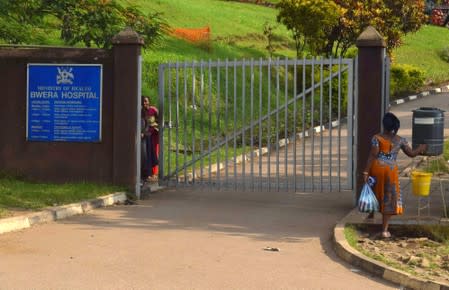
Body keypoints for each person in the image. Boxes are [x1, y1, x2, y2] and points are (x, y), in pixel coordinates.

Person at [362, 112, 427, 238]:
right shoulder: (400, 140)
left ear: (384, 125)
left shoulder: (376, 138)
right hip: (390, 172)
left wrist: (366, 171)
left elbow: (373, 155)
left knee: (374, 191)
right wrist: (421, 148)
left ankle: (370, 214)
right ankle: (384, 231)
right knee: (389, 197)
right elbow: (412, 153)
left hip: (376, 169)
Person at [141, 96, 159, 182]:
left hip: (154, 135)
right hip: (147, 136)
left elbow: (158, 120)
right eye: (143, 101)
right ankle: (149, 174)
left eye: (146, 101)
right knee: (147, 155)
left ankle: (154, 173)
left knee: (154, 153)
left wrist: (156, 126)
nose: (145, 103)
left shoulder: (153, 110)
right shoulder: (141, 111)